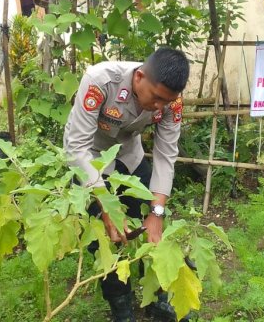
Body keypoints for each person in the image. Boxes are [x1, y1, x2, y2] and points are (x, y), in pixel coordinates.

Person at [63, 48, 190, 322]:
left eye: (165, 102)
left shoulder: (171, 102)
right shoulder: (99, 81)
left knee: (151, 227)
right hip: (92, 160)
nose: (159, 106)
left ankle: (157, 298)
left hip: (130, 156)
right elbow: (76, 147)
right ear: (139, 77)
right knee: (108, 236)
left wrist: (157, 213)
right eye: (156, 98)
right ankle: (121, 308)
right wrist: (107, 207)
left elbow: (166, 155)